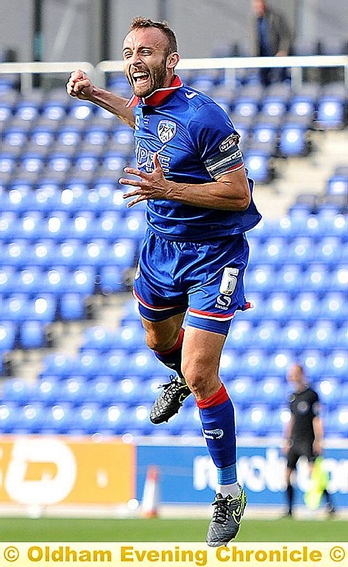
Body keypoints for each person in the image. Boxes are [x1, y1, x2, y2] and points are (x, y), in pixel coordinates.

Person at [67, 16, 262, 546]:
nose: (135, 60)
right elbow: (138, 118)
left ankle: (228, 492)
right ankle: (177, 374)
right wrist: (94, 95)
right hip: (160, 251)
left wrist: (168, 188)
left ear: (170, 60)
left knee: (201, 374)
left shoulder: (205, 117)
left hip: (213, 256)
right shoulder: (148, 107)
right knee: (158, 342)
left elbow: (239, 194)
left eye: (145, 52)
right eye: (129, 51)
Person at [283, 363, 336, 518]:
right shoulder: (292, 397)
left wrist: (318, 439)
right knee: (287, 474)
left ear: (301, 374)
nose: (291, 376)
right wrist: (286, 439)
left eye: (294, 373)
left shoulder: (311, 395)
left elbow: (317, 419)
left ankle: (329, 505)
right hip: (294, 440)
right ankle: (290, 509)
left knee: (315, 473)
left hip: (308, 440)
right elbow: (291, 419)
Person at [250, 0, 293, 86]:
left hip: (276, 55)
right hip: (261, 57)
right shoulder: (254, 20)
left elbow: (286, 36)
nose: (257, 9)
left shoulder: (276, 17)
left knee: (279, 81)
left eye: (259, 6)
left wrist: (283, 50)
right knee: (263, 82)